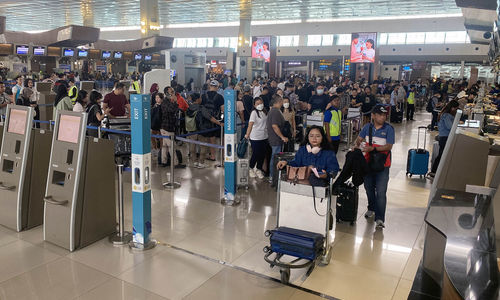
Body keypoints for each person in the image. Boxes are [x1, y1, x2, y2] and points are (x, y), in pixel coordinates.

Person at [355, 104, 395, 229]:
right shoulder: (367, 127)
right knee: (368, 188)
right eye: (380, 115)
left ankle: (380, 218)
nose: (382, 117)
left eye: (384, 115)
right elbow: (359, 139)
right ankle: (371, 208)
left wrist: (373, 148)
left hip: (383, 165)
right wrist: (358, 144)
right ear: (373, 115)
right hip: (368, 163)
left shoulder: (389, 129)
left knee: (381, 192)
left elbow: (389, 146)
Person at [428, 100, 459, 177]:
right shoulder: (447, 115)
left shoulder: (445, 114)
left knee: (442, 154)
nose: (456, 110)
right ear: (452, 108)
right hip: (445, 137)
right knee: (441, 155)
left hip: (444, 137)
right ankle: (434, 171)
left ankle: (435, 171)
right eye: (456, 109)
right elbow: (450, 127)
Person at [245, 97, 268, 179]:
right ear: (254, 105)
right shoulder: (254, 113)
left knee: (262, 154)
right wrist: (247, 135)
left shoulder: (265, 112)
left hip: (264, 136)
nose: (260, 105)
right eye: (257, 104)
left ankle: (259, 169)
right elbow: (250, 125)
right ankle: (250, 168)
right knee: (256, 153)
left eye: (261, 103)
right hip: (255, 137)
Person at [267, 94, 288, 182]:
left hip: (274, 138)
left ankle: (274, 176)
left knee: (275, 156)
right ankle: (273, 176)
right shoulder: (275, 111)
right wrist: (282, 137)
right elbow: (275, 126)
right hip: (276, 139)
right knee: (275, 157)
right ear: (279, 102)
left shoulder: (274, 111)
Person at [202, 80, 224, 161]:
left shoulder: (203, 96)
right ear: (217, 87)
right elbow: (223, 109)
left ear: (209, 86)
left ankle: (205, 154)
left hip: (204, 119)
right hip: (214, 120)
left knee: (204, 137)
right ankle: (213, 155)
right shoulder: (220, 97)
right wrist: (221, 120)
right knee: (212, 138)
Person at [160, 93, 184, 168]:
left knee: (165, 146)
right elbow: (172, 110)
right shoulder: (166, 103)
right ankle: (175, 163)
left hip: (164, 127)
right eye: (172, 93)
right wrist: (175, 102)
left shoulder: (165, 103)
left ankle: (164, 161)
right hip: (168, 127)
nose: (174, 95)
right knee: (171, 146)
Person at [186, 93, 209, 168]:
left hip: (191, 129)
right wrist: (219, 123)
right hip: (201, 130)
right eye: (200, 98)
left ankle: (195, 161)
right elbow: (209, 117)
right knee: (203, 146)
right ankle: (201, 163)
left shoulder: (189, 107)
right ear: (197, 99)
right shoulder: (201, 107)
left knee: (192, 146)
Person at [151, 93, 164, 163]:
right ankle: (155, 149)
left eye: (158, 98)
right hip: (155, 124)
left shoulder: (163, 106)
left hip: (161, 124)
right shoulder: (154, 106)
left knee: (161, 138)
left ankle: (161, 151)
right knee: (152, 137)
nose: (156, 99)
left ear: (162, 98)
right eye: (156, 98)